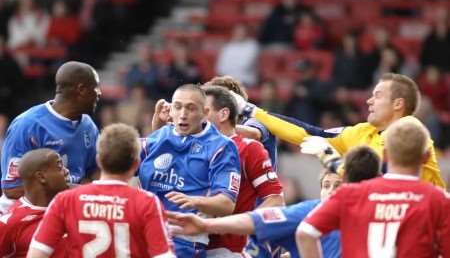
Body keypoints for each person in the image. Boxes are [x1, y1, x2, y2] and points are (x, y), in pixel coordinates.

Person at [232, 73, 446, 188]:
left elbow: (383, 179)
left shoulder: (410, 128)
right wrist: (250, 110)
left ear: (398, 104)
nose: (369, 101)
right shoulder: (363, 132)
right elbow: (310, 134)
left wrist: (330, 159)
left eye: (378, 95)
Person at [168, 145, 381, 258]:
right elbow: (256, 220)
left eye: (338, 185)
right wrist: (206, 225)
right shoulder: (309, 212)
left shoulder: (380, 210)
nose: (332, 192)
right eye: (327, 186)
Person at [297, 119, 450, 258]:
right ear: (426, 156)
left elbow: (306, 232)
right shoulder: (439, 200)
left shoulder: (350, 194)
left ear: (385, 155)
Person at [27, 123, 175, 258]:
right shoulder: (147, 203)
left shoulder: (65, 200)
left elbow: (36, 254)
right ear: (136, 164)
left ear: (98, 160)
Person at [138, 84, 241, 258]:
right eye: (178, 107)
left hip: (184, 240)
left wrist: (193, 201)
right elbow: (119, 166)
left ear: (205, 113)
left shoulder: (221, 147)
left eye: (191, 108)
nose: (183, 114)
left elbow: (226, 204)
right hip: (143, 232)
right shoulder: (159, 136)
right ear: (171, 110)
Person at [0, 61, 101, 214]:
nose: (100, 93)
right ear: (81, 89)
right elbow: (12, 188)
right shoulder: (28, 125)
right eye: (96, 87)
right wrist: (74, 190)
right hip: (23, 218)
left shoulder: (88, 126)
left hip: (65, 209)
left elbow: (96, 173)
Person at [202, 85, 284, 257]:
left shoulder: (248, 146)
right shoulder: (192, 148)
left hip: (230, 249)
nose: (198, 115)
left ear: (225, 112)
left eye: (204, 110)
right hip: (192, 245)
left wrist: (242, 226)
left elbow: (276, 200)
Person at [0, 149, 68, 257]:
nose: (67, 171)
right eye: (59, 167)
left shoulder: (75, 207)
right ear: (41, 177)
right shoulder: (9, 223)